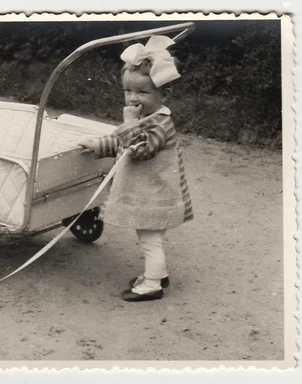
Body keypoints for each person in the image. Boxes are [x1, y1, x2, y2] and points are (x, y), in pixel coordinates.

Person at [78, 35, 194, 302]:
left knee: (150, 241)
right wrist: (97, 145)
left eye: (142, 92)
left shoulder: (160, 123)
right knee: (148, 239)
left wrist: (129, 122)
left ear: (163, 93)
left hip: (156, 197)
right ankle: (158, 274)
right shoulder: (144, 117)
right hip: (149, 195)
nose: (133, 99)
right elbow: (122, 144)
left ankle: (152, 285)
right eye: (128, 91)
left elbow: (139, 150)